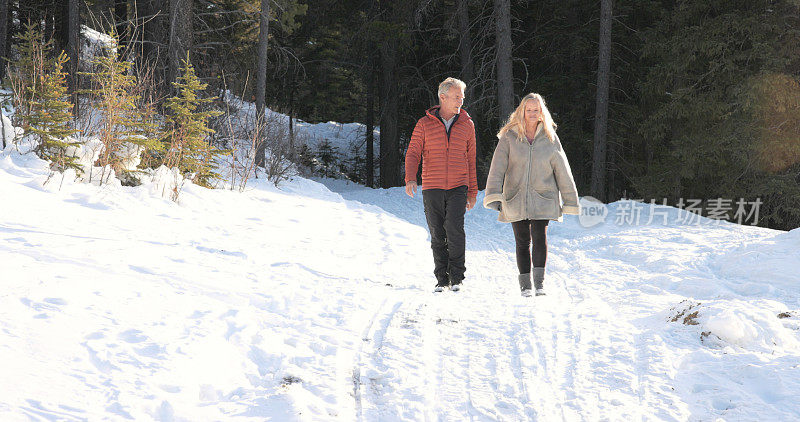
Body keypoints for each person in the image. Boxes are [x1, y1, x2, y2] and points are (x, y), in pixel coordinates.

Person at [483, 93, 579, 297]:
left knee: (539, 237)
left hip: (543, 196)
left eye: (537, 110)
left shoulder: (550, 136)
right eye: (529, 110)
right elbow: (497, 167)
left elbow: (562, 169)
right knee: (522, 240)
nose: (533, 113)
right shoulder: (509, 136)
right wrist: (493, 194)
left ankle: (540, 284)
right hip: (515, 196)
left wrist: (570, 199)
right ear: (522, 111)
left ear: (542, 112)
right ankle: (525, 285)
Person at [404, 77, 478, 293]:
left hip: (458, 186)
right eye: (457, 97)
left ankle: (457, 277)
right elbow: (413, 152)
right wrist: (410, 178)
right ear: (443, 97)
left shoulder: (467, 124)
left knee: (454, 229)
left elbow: (471, 160)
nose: (460, 101)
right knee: (437, 232)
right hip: (432, 185)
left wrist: (472, 191)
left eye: (462, 97)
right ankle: (441, 279)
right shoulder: (424, 124)